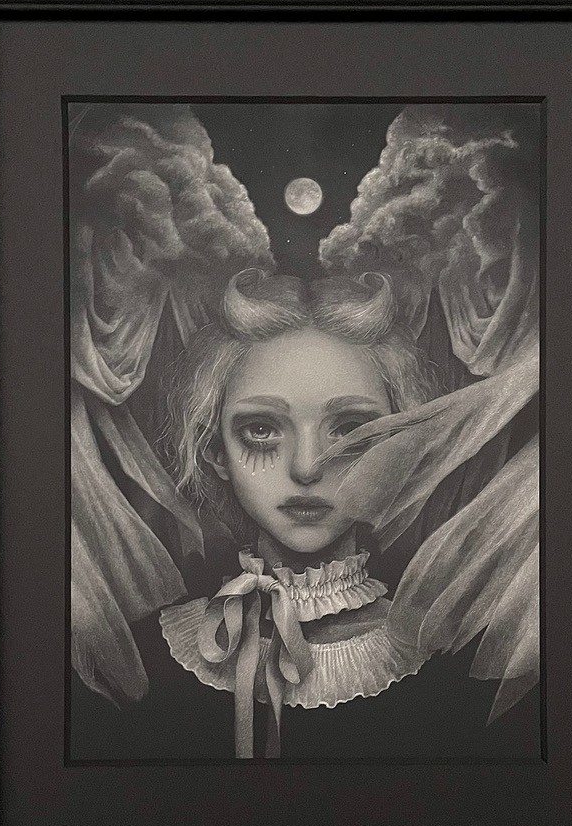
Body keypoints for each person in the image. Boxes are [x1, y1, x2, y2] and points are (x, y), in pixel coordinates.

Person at [158, 268, 436, 758]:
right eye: (261, 429)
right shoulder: (155, 653)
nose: (307, 468)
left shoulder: (436, 651)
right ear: (215, 451)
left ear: (397, 446)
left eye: (349, 429)